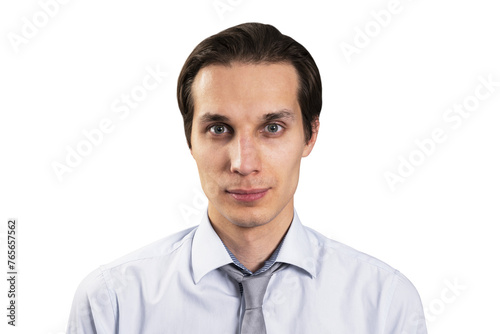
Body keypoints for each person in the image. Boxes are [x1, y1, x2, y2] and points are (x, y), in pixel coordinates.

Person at [67, 22, 427, 333]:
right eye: (219, 128)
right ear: (189, 138)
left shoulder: (385, 304)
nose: (243, 162)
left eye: (272, 127)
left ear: (310, 135)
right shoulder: (111, 303)